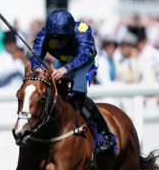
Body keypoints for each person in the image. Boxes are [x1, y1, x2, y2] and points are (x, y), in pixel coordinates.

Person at [29, 9, 115, 154]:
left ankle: (106, 135)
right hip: (62, 62)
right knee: (54, 93)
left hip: (85, 63)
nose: (57, 42)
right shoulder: (45, 33)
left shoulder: (83, 31)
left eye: (62, 38)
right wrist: (37, 68)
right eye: (54, 37)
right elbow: (36, 54)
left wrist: (65, 69)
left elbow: (85, 55)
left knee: (77, 94)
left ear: (71, 34)